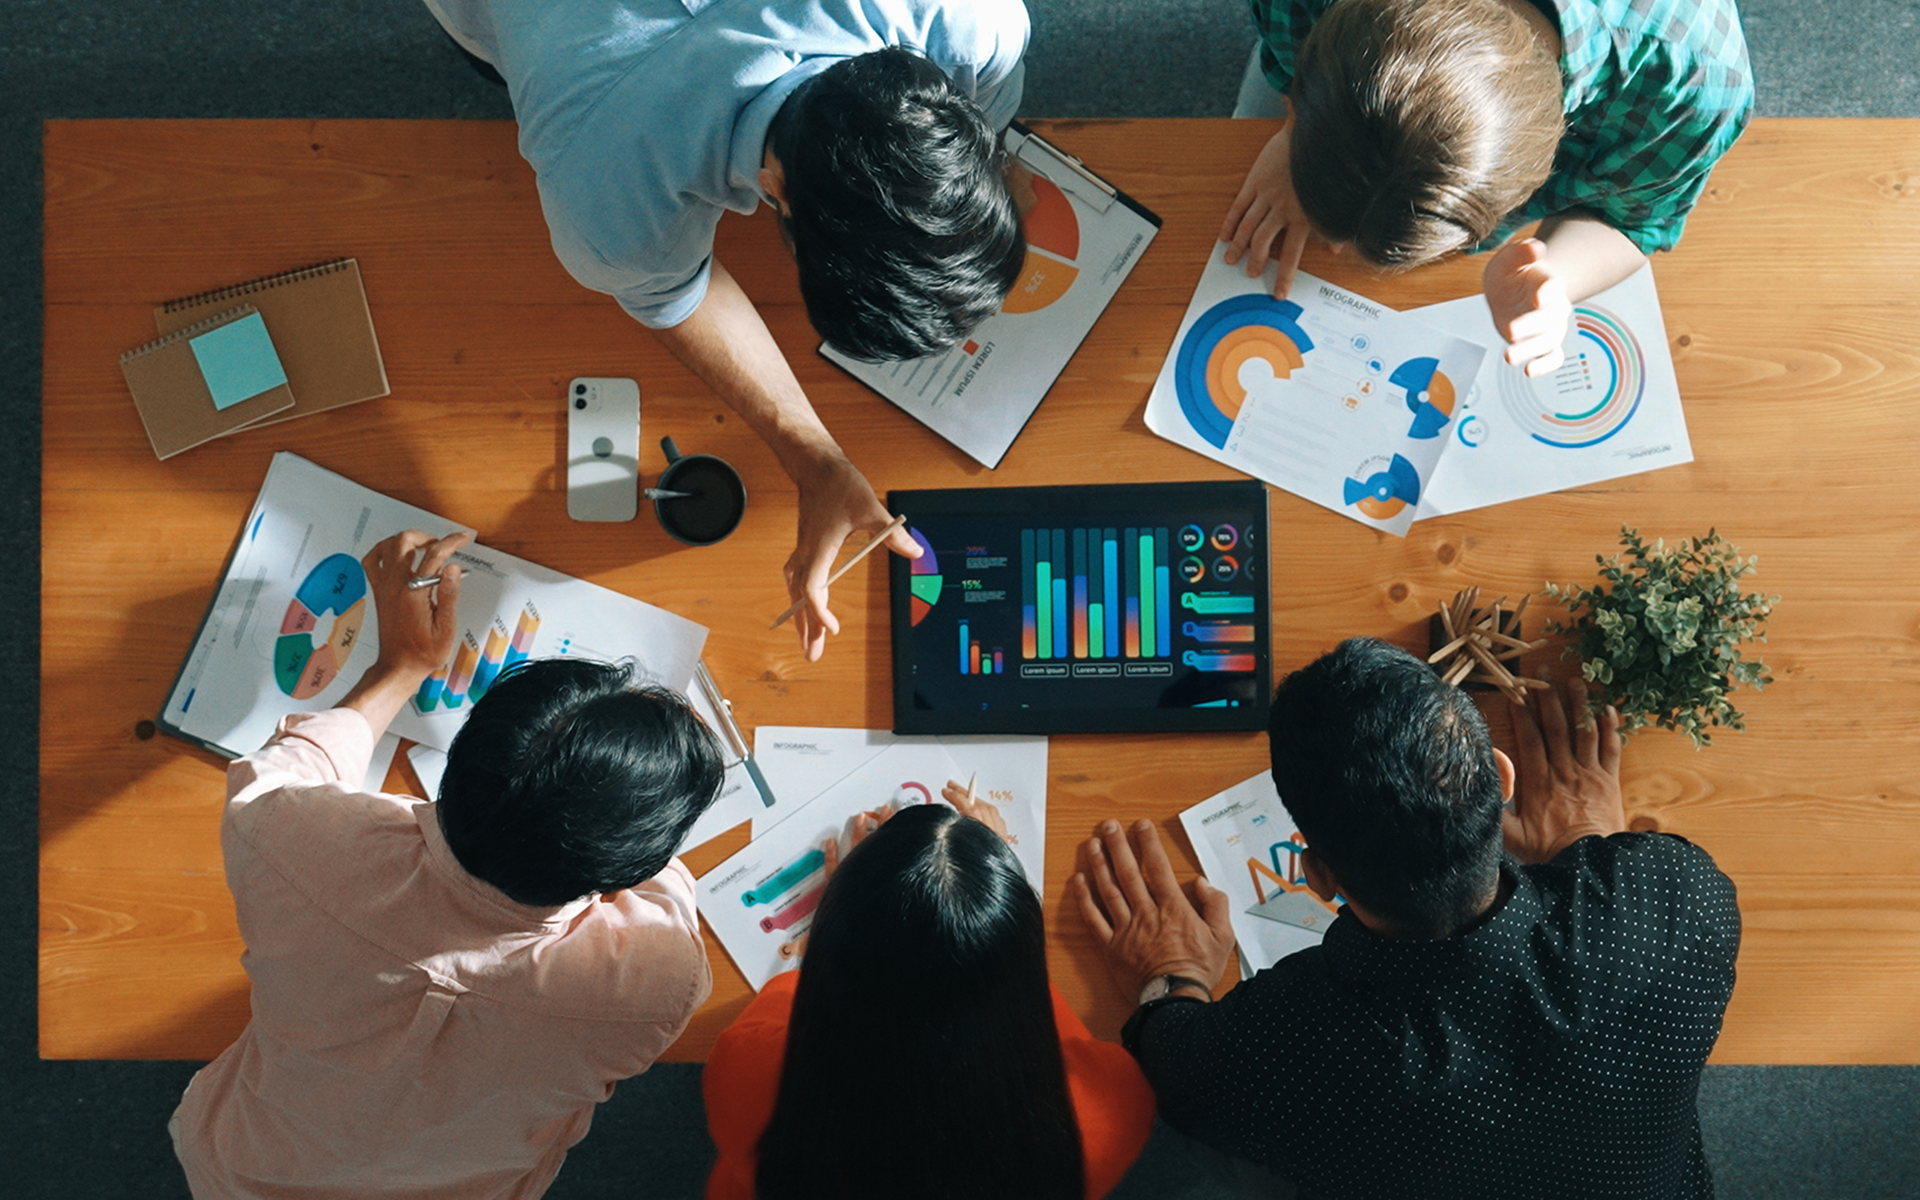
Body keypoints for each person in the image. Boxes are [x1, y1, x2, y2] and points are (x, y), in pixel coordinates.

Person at [419, 0, 1032, 659]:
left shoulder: (968, 20)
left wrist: (821, 465)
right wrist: (810, 455)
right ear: (778, 193)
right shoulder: (605, 198)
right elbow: (671, 293)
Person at [1073, 638, 1741, 1198]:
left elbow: (1178, 1074)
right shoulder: (1676, 906)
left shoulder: (1286, 1045)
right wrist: (1588, 841)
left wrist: (1175, 973)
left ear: (1320, 876)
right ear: (1502, 779)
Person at [170, 530, 726, 1200]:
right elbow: (666, 898)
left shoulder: (283, 836)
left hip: (241, 1170)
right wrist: (630, 819)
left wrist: (401, 668)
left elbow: (287, 768)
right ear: (618, 875)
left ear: (460, 763)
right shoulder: (650, 989)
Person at [1223, 0, 1752, 376]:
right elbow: (1286, 46)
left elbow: (1633, 218)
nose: (1335, 251)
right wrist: (1294, 131)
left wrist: (1556, 278)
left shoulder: (1691, 83)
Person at [703, 789, 1156, 1200]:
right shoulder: (1113, 1111)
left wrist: (858, 907)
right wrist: (991, 899)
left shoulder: (744, 1069)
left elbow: (796, 992)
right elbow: (1026, 999)